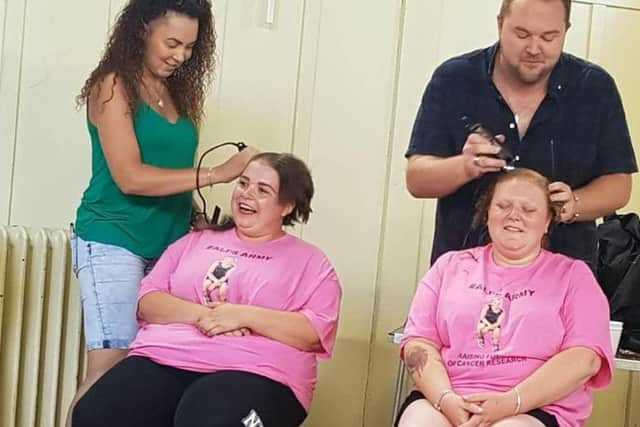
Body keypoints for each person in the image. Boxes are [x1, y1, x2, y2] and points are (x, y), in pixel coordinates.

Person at [69, 0, 256, 421]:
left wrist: (197, 221)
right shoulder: (112, 86)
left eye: (190, 47)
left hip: (168, 248)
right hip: (113, 238)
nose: (180, 56)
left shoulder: (175, 94)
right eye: (172, 43)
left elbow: (167, 175)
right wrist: (216, 173)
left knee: (147, 371)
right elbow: (131, 177)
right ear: (141, 31)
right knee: (109, 369)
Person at [72, 152, 342, 427]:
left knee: (209, 420)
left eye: (263, 190)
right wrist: (204, 315)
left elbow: (313, 333)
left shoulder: (310, 261)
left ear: (286, 205)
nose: (246, 195)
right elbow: (148, 300)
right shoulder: (195, 241)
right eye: (243, 184)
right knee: (94, 414)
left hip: (257, 370)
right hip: (167, 355)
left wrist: (241, 316)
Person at [405, 0, 636, 268]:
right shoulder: (455, 79)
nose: (534, 48)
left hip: (560, 282)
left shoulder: (595, 88)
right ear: (500, 24)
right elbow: (416, 180)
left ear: (566, 29)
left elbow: (619, 185)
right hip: (465, 279)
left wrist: (574, 204)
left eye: (549, 37)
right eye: (522, 34)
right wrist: (464, 167)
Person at [397, 168, 614, 427]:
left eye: (529, 209)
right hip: (445, 398)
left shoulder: (574, 276)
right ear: (487, 212)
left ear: (547, 221)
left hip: (534, 407)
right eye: (503, 205)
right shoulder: (449, 266)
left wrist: (512, 402)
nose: (514, 215)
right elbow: (418, 343)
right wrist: (446, 399)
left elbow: (585, 358)